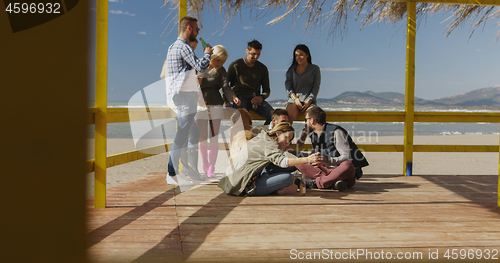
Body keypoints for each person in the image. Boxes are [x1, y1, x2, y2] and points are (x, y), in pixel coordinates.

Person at [164, 16, 213, 184]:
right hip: (185, 98)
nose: (199, 32)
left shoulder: (174, 47)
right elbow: (200, 65)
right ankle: (172, 173)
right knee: (182, 135)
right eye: (197, 29)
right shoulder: (183, 46)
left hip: (183, 97)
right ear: (189, 29)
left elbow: (186, 71)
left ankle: (187, 170)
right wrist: (207, 55)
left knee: (192, 133)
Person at [218, 122, 322, 196]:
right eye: (286, 137)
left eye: (289, 140)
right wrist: (307, 159)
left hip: (233, 180)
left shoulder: (264, 137)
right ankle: (277, 189)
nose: (287, 142)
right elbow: (283, 162)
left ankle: (276, 186)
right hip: (242, 186)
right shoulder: (269, 145)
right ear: (278, 133)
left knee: (291, 166)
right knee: (288, 178)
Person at [297, 106, 369, 191]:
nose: (305, 123)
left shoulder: (336, 132)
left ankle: (316, 183)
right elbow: (312, 157)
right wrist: (290, 150)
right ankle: (333, 183)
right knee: (299, 162)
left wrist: (328, 160)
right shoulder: (314, 135)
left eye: (306, 120)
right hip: (325, 170)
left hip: (339, 170)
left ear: (312, 120)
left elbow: (347, 158)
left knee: (347, 165)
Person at [196, 45, 241, 177]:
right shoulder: (199, 65)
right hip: (200, 104)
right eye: (218, 60)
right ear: (212, 57)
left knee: (214, 136)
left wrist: (233, 97)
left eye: (222, 61)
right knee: (203, 137)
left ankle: (211, 167)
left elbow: (226, 87)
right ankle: (204, 164)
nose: (220, 63)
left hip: (216, 103)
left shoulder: (221, 70)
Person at [227, 40, 274, 125]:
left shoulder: (262, 68)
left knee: (274, 116)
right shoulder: (235, 65)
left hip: (256, 100)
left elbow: (267, 90)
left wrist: (261, 97)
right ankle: (245, 137)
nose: (256, 57)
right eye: (253, 54)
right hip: (240, 99)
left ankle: (263, 134)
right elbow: (224, 85)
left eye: (258, 54)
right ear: (247, 51)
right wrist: (227, 100)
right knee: (243, 120)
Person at [285, 44, 321, 124]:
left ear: (307, 55)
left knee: (312, 120)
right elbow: (288, 86)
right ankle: (287, 136)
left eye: (301, 55)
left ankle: (303, 137)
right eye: (296, 55)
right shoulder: (291, 70)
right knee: (288, 117)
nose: (298, 57)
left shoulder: (315, 69)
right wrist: (296, 99)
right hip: (294, 100)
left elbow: (316, 87)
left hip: (309, 101)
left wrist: (308, 102)